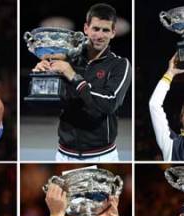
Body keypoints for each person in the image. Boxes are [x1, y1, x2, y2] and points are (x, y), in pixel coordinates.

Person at [32, 3, 131, 161]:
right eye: (95, 29)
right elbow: (46, 104)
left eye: (105, 30)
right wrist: (43, 77)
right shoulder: (68, 59)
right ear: (86, 29)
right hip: (64, 153)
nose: (99, 35)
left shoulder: (120, 65)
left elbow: (109, 103)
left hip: (102, 155)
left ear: (113, 32)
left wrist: (74, 77)